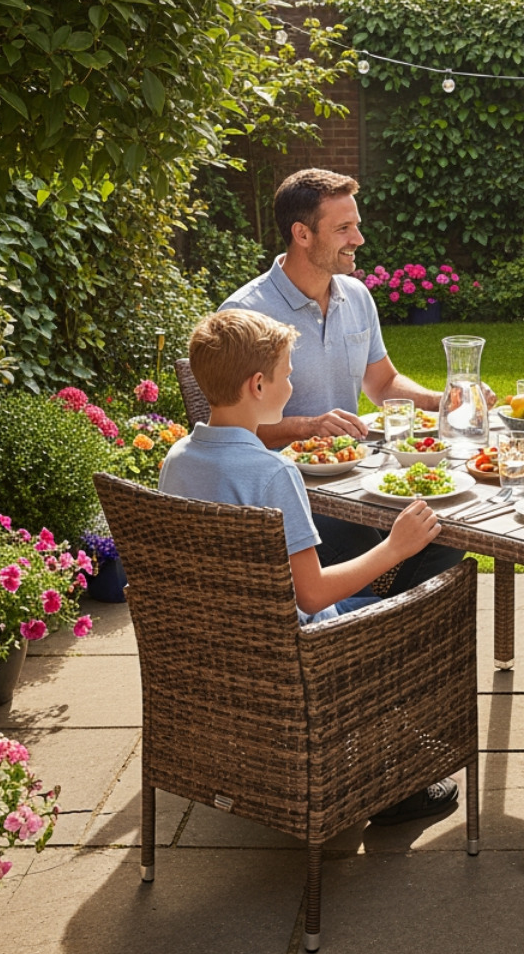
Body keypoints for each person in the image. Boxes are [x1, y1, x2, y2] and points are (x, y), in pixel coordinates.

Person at [158, 309, 458, 826]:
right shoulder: (274, 473)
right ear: (258, 385)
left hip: (213, 647)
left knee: (390, 584)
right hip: (294, 653)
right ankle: (390, 779)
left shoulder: (178, 460)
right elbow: (313, 596)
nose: (293, 383)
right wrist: (395, 546)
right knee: (425, 592)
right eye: (287, 373)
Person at [220, 168, 467, 594]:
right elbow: (226, 431)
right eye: (344, 228)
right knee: (370, 544)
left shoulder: (356, 296)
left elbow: (383, 384)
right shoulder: (245, 316)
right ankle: (362, 626)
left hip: (359, 482)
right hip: (290, 498)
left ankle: (378, 626)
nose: (359, 239)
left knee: (444, 529)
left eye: (357, 225)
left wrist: (442, 399)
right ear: (302, 234)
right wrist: (306, 427)